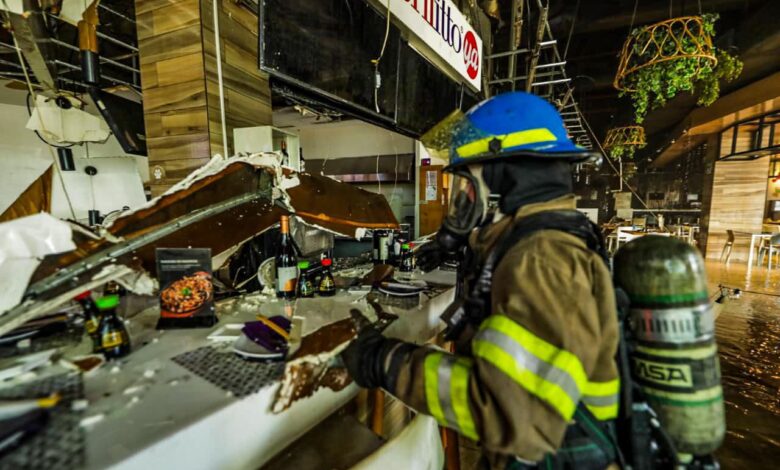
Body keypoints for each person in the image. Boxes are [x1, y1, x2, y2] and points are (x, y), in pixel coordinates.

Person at [343, 92, 620, 469]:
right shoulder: (550, 238)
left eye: (468, 182)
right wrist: (455, 241)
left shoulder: (540, 259)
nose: (464, 197)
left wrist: (385, 361)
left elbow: (511, 412)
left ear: (502, 175)